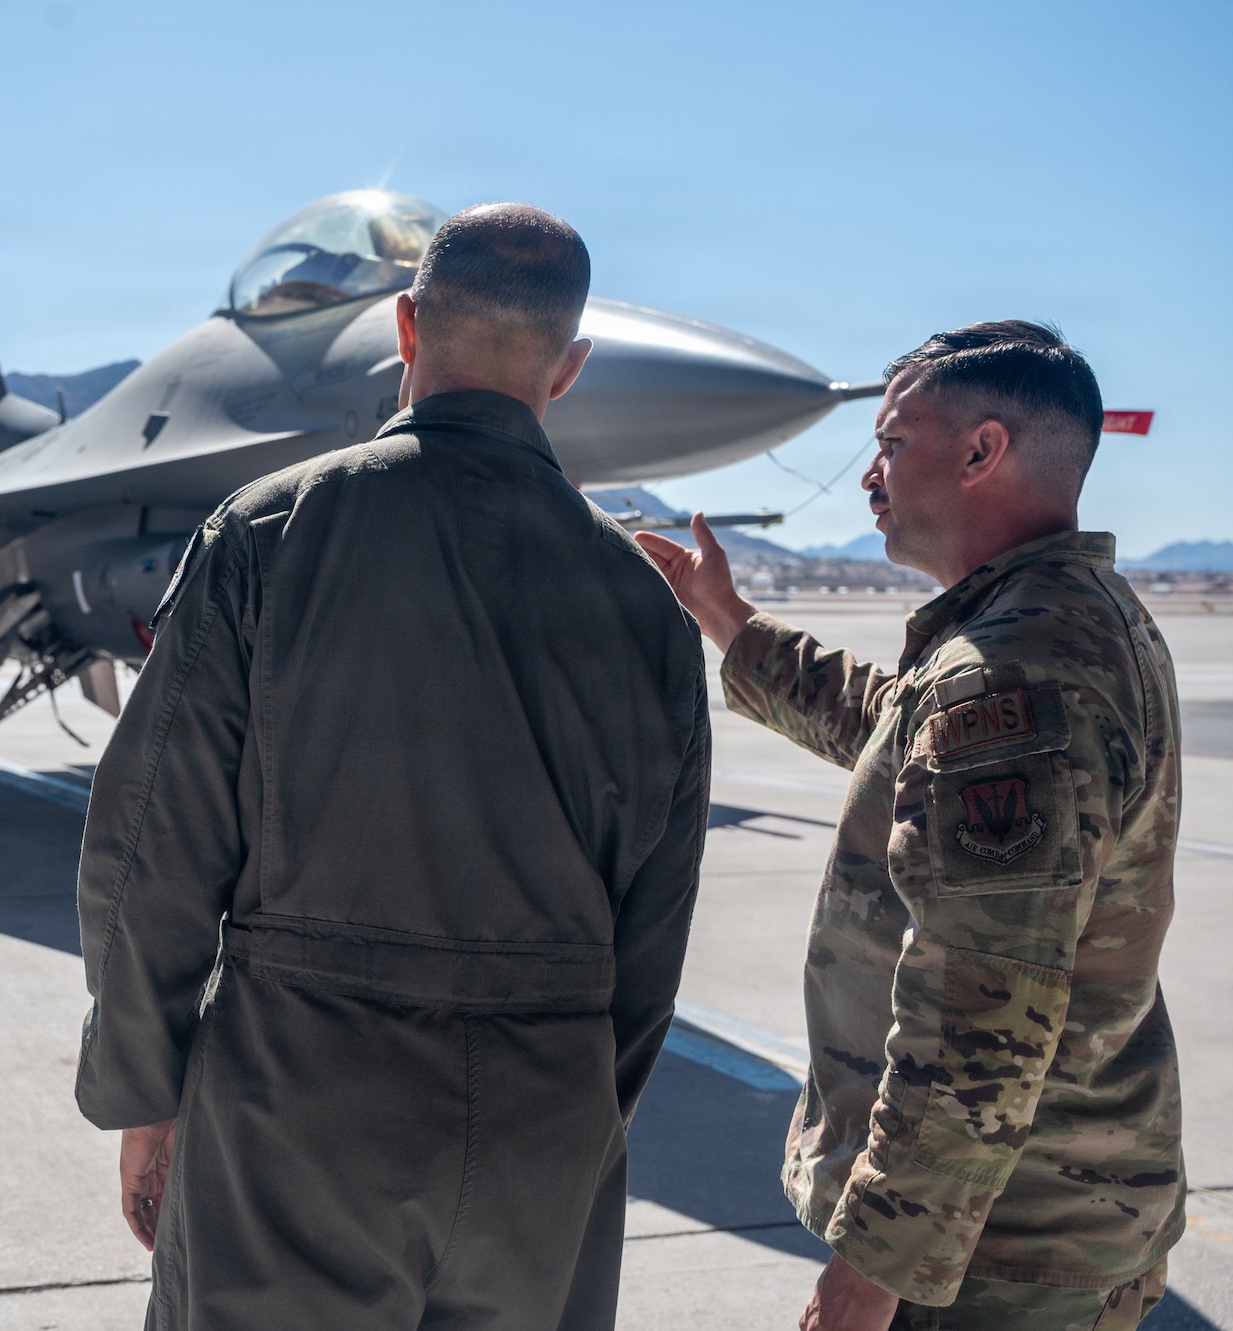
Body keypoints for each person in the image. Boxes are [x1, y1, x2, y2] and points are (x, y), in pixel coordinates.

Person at [75, 205, 711, 1329]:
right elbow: (652, 919)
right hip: (544, 1116)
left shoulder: (268, 534)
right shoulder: (644, 606)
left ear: (406, 327)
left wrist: (143, 1089)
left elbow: (150, 844)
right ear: (568, 369)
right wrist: (576, 1112)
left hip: (299, 1104)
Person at [637, 321, 1183, 1331]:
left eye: (891, 444)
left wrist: (870, 1272)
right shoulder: (1058, 618)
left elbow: (980, 1014)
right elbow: (898, 730)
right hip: (1042, 1211)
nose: (867, 477)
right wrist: (724, 616)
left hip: (988, 1255)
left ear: (980, 451)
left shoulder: (1012, 668)